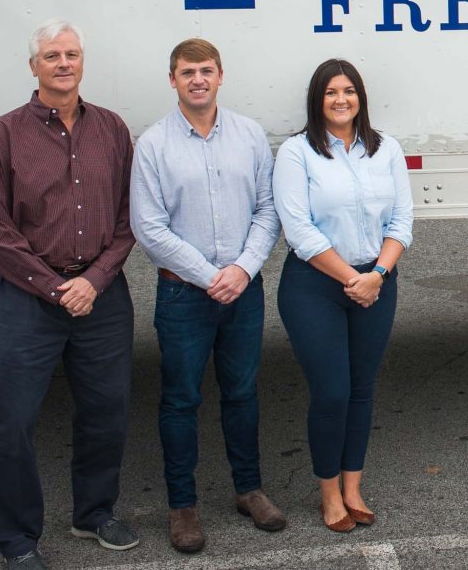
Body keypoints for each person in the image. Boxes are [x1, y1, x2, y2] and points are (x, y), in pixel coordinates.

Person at [0, 20, 138, 570]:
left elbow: (126, 218)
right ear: (34, 67)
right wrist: (55, 288)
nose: (63, 63)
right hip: (25, 297)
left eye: (71, 54)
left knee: (106, 412)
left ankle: (93, 513)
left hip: (100, 294)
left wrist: (94, 281)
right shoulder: (2, 135)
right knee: (11, 421)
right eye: (51, 55)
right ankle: (18, 541)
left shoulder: (113, 130)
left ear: (83, 62)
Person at [130, 38, 286, 552]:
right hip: (183, 297)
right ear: (171, 80)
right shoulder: (153, 145)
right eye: (186, 71)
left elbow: (268, 210)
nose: (197, 79)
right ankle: (183, 507)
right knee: (180, 400)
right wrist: (208, 275)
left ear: (221, 76)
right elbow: (148, 228)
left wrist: (241, 269)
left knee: (242, 392)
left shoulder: (248, 136)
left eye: (206, 70)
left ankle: (249, 489)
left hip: (244, 290)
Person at [273, 58, 414, 531]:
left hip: (376, 282)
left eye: (349, 90)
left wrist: (376, 273)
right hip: (315, 286)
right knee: (331, 391)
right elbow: (299, 229)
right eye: (331, 91)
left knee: (361, 390)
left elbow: (401, 222)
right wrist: (352, 279)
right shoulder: (298, 152)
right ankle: (329, 493)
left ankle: (354, 486)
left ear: (361, 98)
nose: (340, 99)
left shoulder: (386, 149)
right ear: (317, 99)